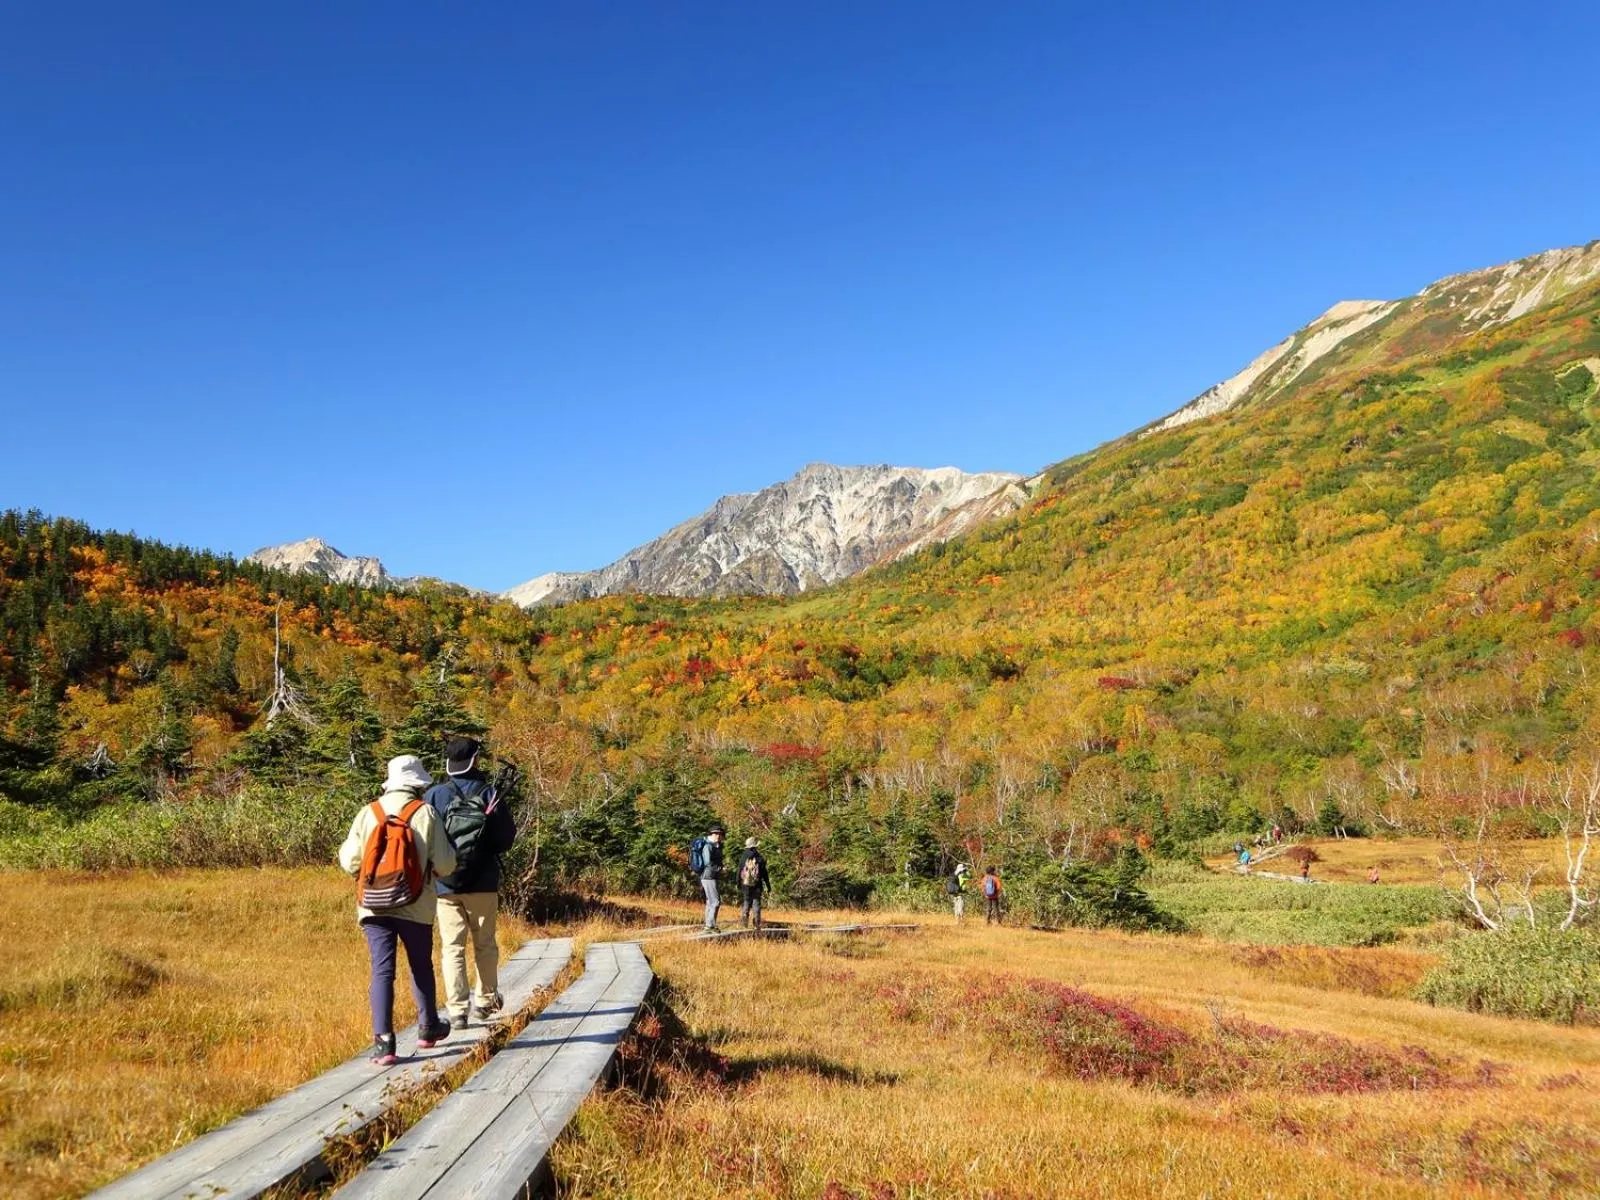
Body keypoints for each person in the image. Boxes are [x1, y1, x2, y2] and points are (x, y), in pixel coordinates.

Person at [339, 754, 457, 1066]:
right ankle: (428, 1028)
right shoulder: (425, 812)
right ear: (417, 783)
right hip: (415, 904)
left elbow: (349, 861)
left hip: (374, 905)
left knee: (382, 970)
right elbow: (446, 864)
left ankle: (384, 1044)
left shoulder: (369, 812)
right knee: (420, 965)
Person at [427, 737, 518, 1031]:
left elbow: (426, 838)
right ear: (475, 760)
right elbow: (505, 839)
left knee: (452, 947)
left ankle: (456, 1011)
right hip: (483, 882)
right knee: (485, 944)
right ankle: (485, 1001)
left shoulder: (435, 795)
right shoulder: (490, 793)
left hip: (446, 884)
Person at [736, 836, 771, 930]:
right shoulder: (759, 858)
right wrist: (768, 885)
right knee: (756, 903)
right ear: (755, 846)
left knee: (746, 901)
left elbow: (739, 871)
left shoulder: (743, 856)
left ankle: (744, 923)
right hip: (757, 884)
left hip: (745, 884)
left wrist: (738, 883)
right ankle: (756, 924)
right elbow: (764, 873)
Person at [698, 824, 726, 931]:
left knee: (710, 901)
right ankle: (710, 926)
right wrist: (720, 869)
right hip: (708, 876)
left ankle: (708, 924)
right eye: (716, 833)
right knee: (715, 901)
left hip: (711, 876)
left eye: (720, 834)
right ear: (711, 834)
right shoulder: (708, 846)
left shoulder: (716, 846)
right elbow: (707, 863)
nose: (718, 836)